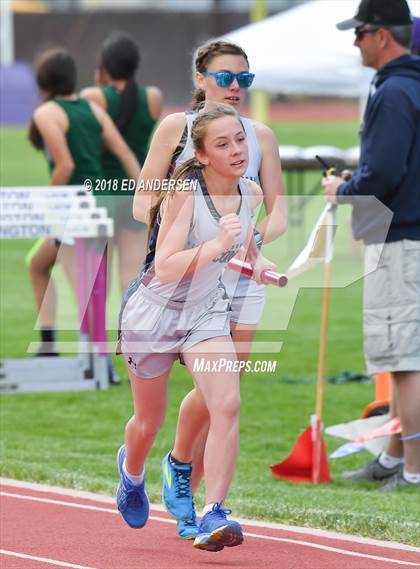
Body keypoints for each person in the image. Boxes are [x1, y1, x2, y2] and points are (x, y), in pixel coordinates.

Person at [133, 40, 287, 538]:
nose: (236, 87)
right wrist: (195, 230)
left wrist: (248, 240)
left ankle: (197, 499)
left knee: (223, 395)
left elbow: (275, 210)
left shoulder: (259, 135)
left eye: (245, 78)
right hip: (177, 278)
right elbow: (142, 203)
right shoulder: (176, 129)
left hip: (236, 279)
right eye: (226, 77)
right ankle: (162, 470)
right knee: (157, 413)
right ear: (200, 76)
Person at [322, 0, 420, 491]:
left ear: (382, 35)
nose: (354, 41)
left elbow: (383, 173)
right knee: (400, 356)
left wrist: (343, 189)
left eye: (359, 32)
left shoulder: (396, 90)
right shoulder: (407, 85)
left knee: (405, 359)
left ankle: (414, 469)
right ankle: (394, 457)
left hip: (402, 236)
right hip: (405, 234)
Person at [28, 47, 140, 357]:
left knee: (83, 286)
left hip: (75, 205)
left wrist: (46, 206)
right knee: (41, 266)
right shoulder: (91, 109)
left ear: (43, 80)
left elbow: (65, 166)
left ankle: (91, 356)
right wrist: (145, 191)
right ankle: (53, 344)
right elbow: (125, 153)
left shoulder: (47, 112)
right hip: (99, 202)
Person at [81, 32, 162, 293]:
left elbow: (88, 144)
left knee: (95, 278)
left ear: (103, 65)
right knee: (131, 278)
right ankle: (129, 334)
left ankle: (92, 334)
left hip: (100, 194)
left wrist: (98, 79)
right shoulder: (152, 97)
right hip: (134, 193)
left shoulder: (94, 96)